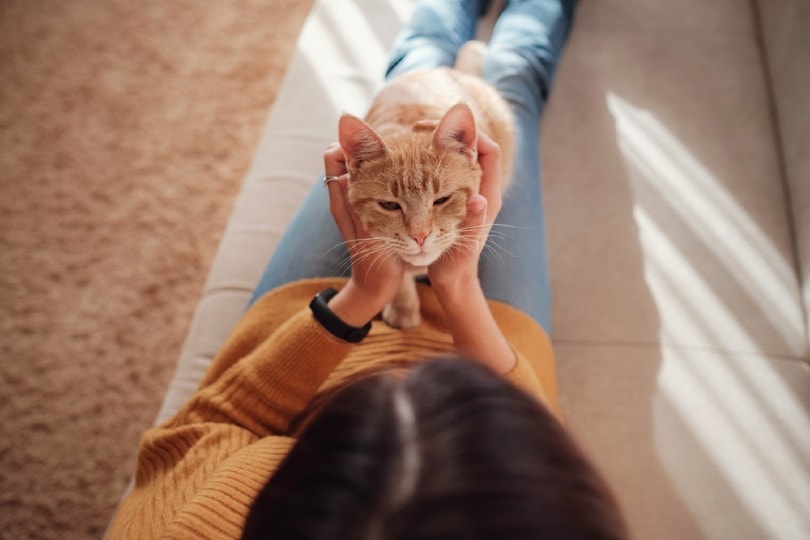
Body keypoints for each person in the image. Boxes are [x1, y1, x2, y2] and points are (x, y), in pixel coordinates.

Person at [107, 0, 628, 538]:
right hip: (492, 340)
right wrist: (460, 287)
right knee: (516, 80)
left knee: (408, 84)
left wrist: (361, 293)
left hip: (334, 312)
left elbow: (209, 425)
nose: (421, 235)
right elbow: (533, 434)